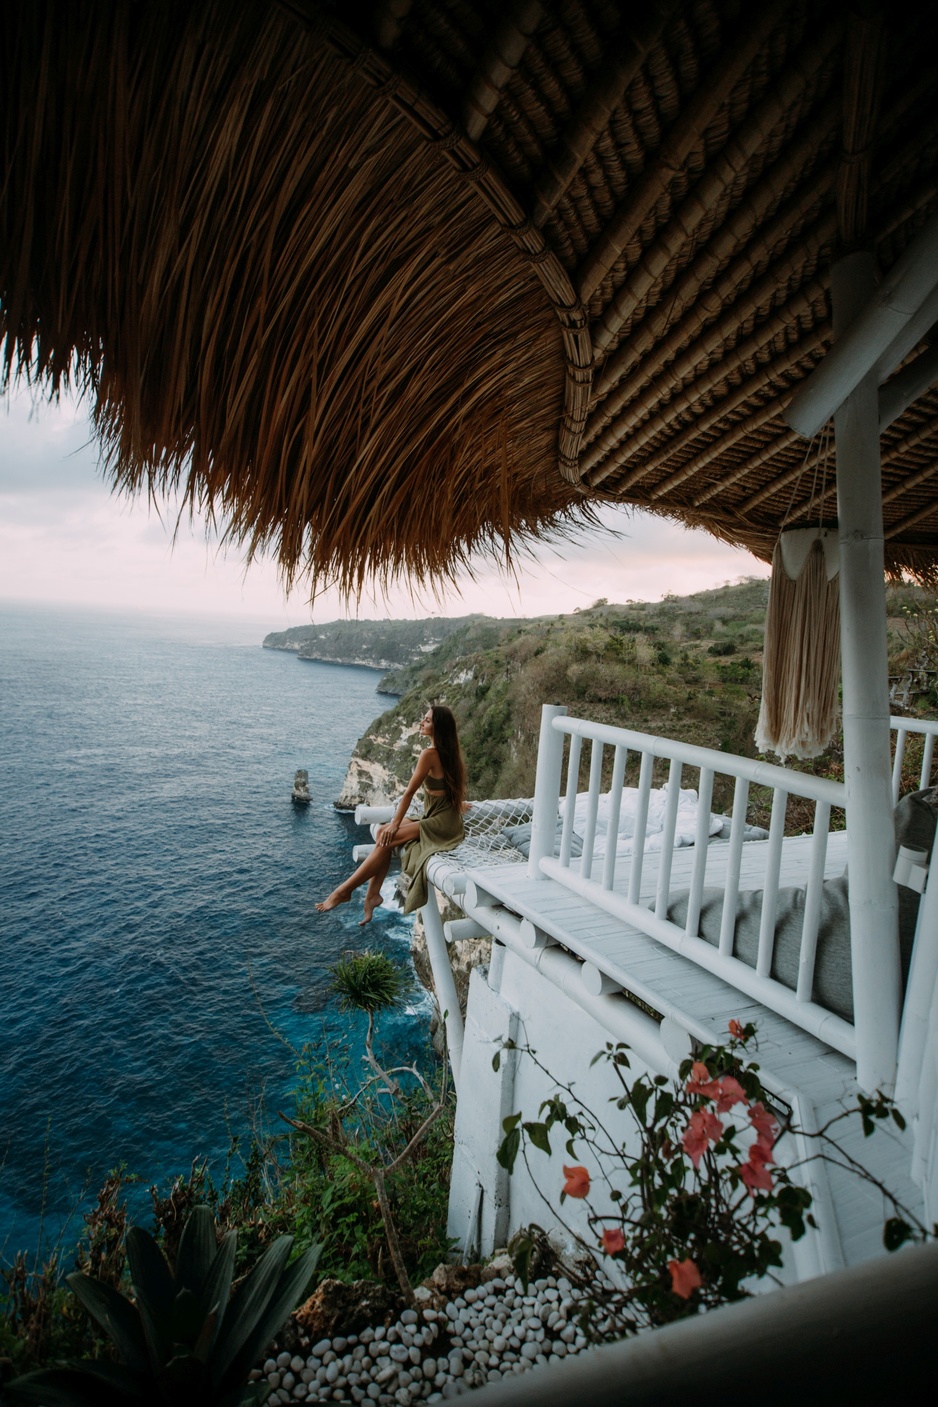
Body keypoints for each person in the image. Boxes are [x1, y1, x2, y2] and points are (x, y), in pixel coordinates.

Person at [316, 704, 467, 924]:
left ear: (438, 726)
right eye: (423, 718)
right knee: (383, 834)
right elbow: (449, 790)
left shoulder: (430, 754)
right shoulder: (450, 752)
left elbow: (408, 793)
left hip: (441, 823)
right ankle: (372, 896)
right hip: (442, 816)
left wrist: (396, 823)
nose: (422, 723)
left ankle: (344, 891)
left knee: (388, 835)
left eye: (427, 720)